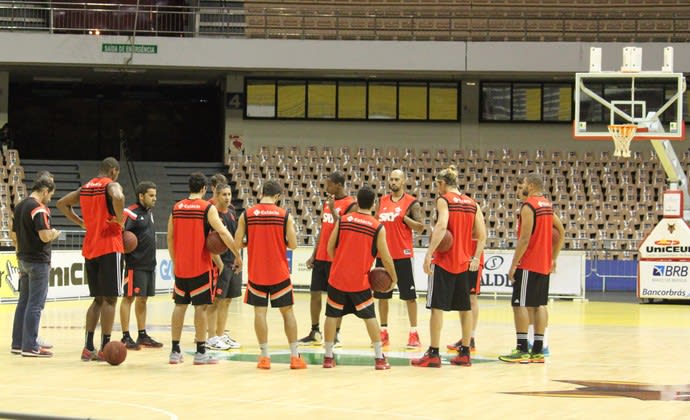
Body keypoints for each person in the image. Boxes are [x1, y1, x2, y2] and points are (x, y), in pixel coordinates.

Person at [412, 165, 486, 368]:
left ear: (443, 183)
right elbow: (482, 235)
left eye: (438, 184)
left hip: (445, 262)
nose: (437, 188)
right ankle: (465, 352)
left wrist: (428, 254)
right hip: (464, 263)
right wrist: (475, 258)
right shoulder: (472, 204)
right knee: (465, 308)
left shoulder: (444, 201)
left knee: (436, 308)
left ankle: (433, 354)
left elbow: (442, 226)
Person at [167, 172, 242, 365]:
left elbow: (170, 237)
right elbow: (223, 232)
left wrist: (176, 261)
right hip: (200, 266)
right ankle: (201, 352)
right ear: (204, 189)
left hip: (181, 267)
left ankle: (175, 351)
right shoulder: (207, 208)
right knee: (200, 308)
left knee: (179, 306)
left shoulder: (176, 207)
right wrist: (237, 255)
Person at [57, 157, 125, 362]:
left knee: (97, 300)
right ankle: (105, 346)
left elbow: (61, 203)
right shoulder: (110, 185)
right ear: (113, 171)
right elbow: (119, 196)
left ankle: (88, 347)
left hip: (91, 247)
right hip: (109, 246)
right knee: (111, 299)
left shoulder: (86, 187)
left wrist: (80, 222)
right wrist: (120, 219)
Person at [322, 184, 397, 370]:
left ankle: (328, 357)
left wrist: (339, 262)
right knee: (370, 317)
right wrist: (393, 279)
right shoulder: (377, 227)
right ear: (374, 204)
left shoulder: (344, 220)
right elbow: (386, 258)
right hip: (359, 281)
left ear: (357, 200)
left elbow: (330, 247)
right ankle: (379, 359)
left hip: (338, 277)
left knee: (332, 315)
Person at [233, 180, 306, 370]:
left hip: (257, 272)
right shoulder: (284, 215)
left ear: (261, 193)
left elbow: (237, 243)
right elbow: (293, 245)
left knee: (259, 313)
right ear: (278, 196)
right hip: (279, 273)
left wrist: (251, 242)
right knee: (287, 312)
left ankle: (264, 357)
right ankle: (295, 356)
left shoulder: (247, 215)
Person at [499, 173, 564, 364]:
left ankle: (522, 349)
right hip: (543, 263)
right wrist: (553, 258)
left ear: (532, 185)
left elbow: (525, 238)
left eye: (524, 184)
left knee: (519, 304)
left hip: (529, 263)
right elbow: (561, 232)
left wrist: (513, 265)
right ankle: (538, 350)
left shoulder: (529, 206)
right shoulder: (547, 205)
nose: (522, 187)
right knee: (539, 305)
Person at [299, 171, 357, 346]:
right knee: (315, 294)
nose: (326, 187)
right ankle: (315, 331)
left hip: (337, 258)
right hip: (321, 257)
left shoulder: (351, 204)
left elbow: (345, 227)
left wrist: (333, 210)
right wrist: (314, 253)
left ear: (338, 185)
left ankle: (336, 334)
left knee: (336, 297)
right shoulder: (327, 203)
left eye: (329, 184)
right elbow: (323, 229)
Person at [374, 169, 425, 348]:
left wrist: (405, 219)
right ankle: (383, 331)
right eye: (391, 179)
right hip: (383, 255)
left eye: (397, 179)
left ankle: (413, 333)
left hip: (403, 255)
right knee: (382, 295)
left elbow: (420, 227)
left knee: (409, 297)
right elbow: (375, 223)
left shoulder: (412, 203)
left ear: (403, 182)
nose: (393, 182)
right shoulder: (382, 201)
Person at [10, 178, 60, 357]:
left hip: (23, 258)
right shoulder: (39, 208)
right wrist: (54, 233)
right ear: (45, 190)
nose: (50, 199)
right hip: (38, 261)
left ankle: (18, 342)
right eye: (51, 195)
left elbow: (13, 235)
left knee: (23, 302)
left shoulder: (20, 206)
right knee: (35, 304)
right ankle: (30, 345)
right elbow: (45, 236)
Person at [119, 181, 163, 350]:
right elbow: (121, 236)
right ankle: (125, 336)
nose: (155, 199)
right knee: (128, 298)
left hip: (148, 264)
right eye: (151, 195)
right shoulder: (129, 213)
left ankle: (142, 334)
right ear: (141, 196)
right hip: (134, 264)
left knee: (143, 300)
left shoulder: (149, 213)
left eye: (155, 195)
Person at [205, 183, 242, 351]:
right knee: (215, 302)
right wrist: (219, 264)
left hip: (232, 262)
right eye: (224, 195)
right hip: (219, 264)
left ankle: (220, 335)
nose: (227, 197)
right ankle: (211, 337)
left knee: (227, 301)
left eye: (229, 194)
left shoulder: (232, 213)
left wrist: (238, 256)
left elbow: (233, 238)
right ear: (217, 196)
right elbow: (209, 243)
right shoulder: (212, 214)